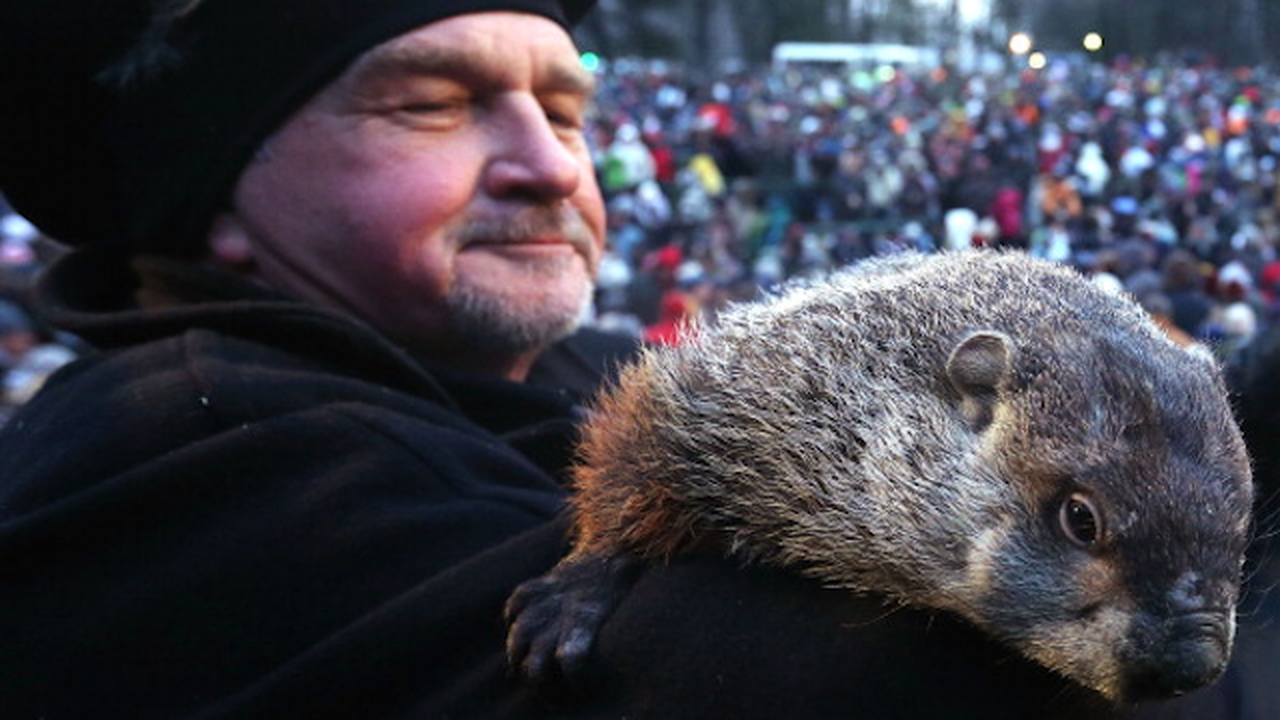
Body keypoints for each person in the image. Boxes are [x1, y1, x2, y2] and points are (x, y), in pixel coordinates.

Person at [0, 3, 1276, 720]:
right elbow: (754, 683)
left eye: (566, 108)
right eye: (430, 104)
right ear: (213, 194)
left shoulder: (544, 371)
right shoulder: (184, 454)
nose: (554, 165)